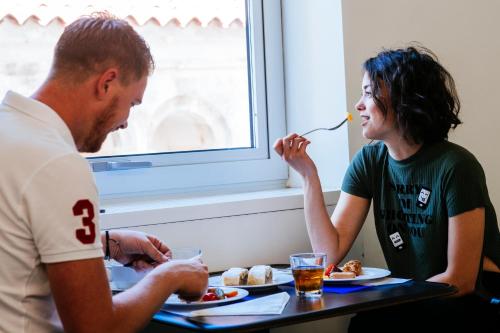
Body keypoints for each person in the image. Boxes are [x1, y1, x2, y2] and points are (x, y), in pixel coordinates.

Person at [0, 13, 208, 333]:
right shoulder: (58, 164)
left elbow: (14, 247)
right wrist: (169, 275)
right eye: (132, 104)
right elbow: (97, 328)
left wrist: (105, 245)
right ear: (107, 83)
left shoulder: (10, 132)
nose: (126, 121)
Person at [274, 45, 500, 331]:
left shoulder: (456, 166)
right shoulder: (370, 161)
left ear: (405, 100)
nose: (358, 105)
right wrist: (308, 174)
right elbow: (328, 254)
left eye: (369, 93)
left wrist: (386, 296)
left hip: (474, 302)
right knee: (365, 326)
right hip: (418, 300)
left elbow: (461, 280)